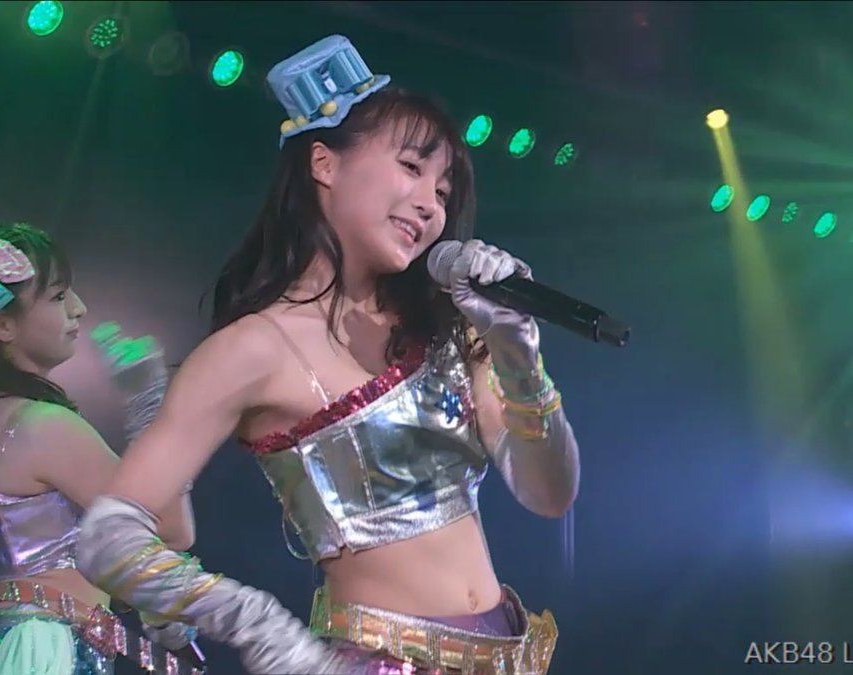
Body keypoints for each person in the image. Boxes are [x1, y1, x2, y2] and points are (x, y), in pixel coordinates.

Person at [76, 35, 580, 674]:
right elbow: (109, 539)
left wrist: (519, 353)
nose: (431, 205)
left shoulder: (448, 323)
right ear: (324, 164)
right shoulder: (252, 348)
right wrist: (255, 622)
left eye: (444, 191)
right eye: (411, 167)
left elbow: (549, 493)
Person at [0, 217, 201, 675]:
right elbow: (171, 529)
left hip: (27, 641)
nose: (79, 308)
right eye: (58, 296)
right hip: (54, 648)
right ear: (2, 324)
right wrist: (152, 408)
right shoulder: (43, 426)